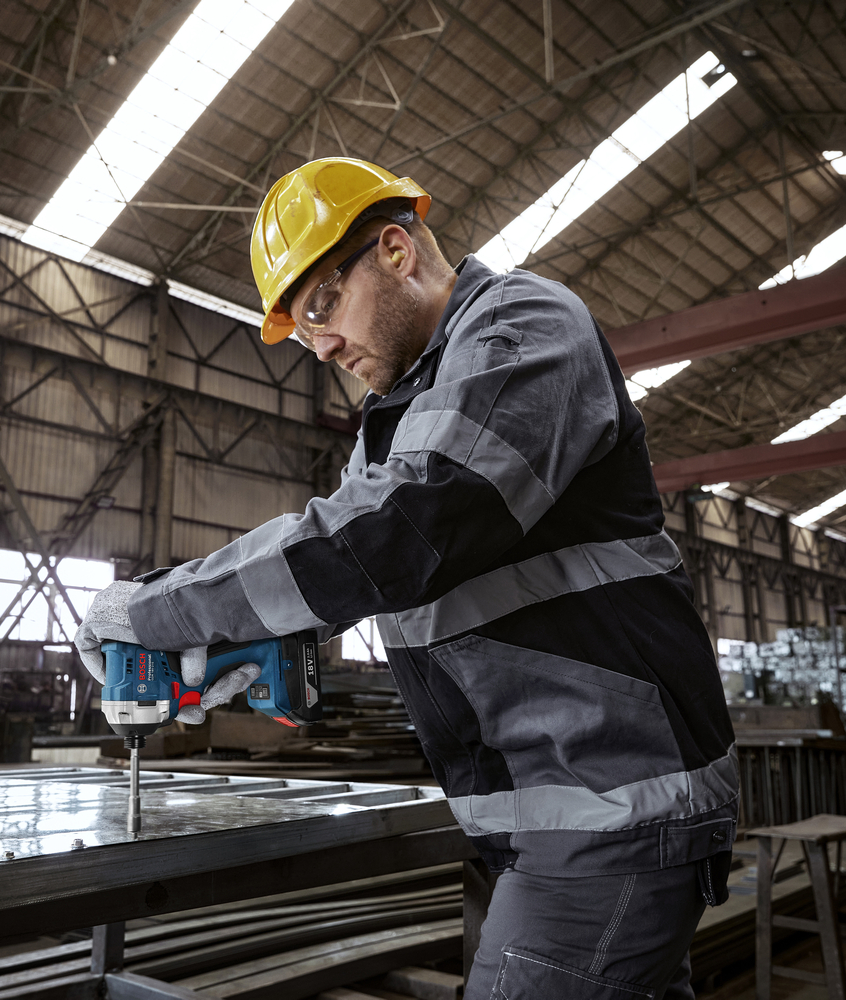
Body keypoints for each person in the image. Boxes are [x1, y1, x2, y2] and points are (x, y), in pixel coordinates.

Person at [76, 157, 738, 998]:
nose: (323, 346)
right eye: (304, 333)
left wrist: (150, 610)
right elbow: (361, 576)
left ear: (394, 251)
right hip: (543, 818)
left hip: (610, 806)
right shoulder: (392, 421)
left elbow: (396, 533)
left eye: (322, 307)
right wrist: (248, 645)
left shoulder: (525, 327)